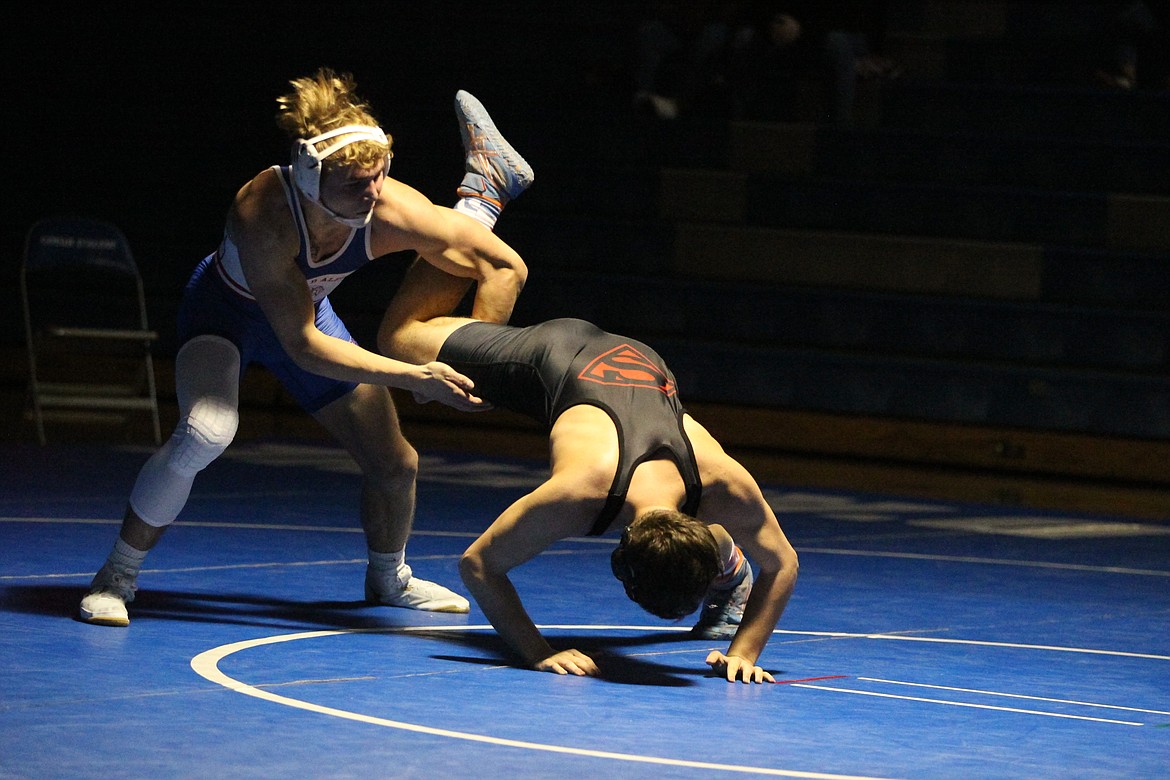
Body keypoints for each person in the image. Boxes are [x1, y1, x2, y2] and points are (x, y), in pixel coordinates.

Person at [78, 68, 533, 626]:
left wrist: (473, 367)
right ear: (309, 176)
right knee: (207, 431)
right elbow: (303, 346)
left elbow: (503, 264)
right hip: (227, 316)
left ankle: (390, 579)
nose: (372, 194)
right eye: (355, 184)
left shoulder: (390, 205)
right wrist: (416, 378)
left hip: (310, 318)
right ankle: (117, 574)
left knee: (395, 463)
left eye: (379, 174)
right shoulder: (264, 212)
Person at [377, 264, 800, 684]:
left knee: (448, 349)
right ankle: (477, 212)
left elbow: (783, 563)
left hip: (639, 360)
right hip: (549, 356)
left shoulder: (721, 483)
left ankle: (729, 571)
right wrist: (537, 653)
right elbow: (477, 565)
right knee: (398, 339)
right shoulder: (580, 494)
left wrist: (743, 652)